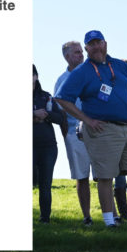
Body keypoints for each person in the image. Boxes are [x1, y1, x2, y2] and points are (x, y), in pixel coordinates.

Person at [54, 31, 127, 229]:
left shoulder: (121, 66)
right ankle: (109, 222)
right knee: (105, 176)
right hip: (102, 129)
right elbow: (61, 98)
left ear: (105, 43)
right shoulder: (82, 71)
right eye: (91, 44)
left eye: (99, 42)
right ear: (87, 48)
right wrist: (87, 120)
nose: (96, 47)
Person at [54, 41, 94, 225]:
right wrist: (66, 136)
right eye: (77, 53)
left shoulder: (94, 73)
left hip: (97, 130)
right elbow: (60, 111)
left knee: (104, 174)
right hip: (74, 134)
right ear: (67, 56)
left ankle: (111, 214)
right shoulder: (61, 81)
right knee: (81, 176)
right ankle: (87, 216)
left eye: (82, 52)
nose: (81, 55)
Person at [32, 65, 65, 223]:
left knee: (45, 184)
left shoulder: (46, 97)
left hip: (48, 146)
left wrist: (45, 115)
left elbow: (60, 118)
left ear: (36, 77)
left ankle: (45, 218)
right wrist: (32, 115)